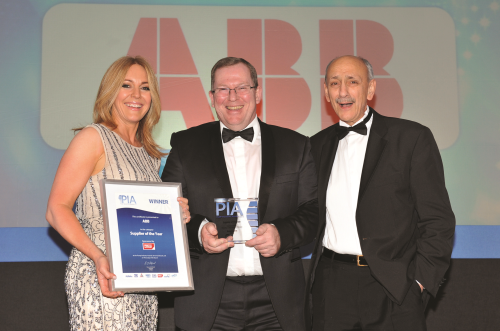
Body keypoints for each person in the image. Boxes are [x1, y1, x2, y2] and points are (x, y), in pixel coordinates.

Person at [161, 57, 318, 331]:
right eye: (223, 89)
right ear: (212, 97)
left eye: (241, 88)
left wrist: (282, 233)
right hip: (208, 300)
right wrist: (199, 232)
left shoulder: (296, 145)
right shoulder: (186, 145)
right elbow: (168, 212)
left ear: (257, 92)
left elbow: (313, 211)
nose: (232, 97)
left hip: (276, 301)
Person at [308, 55, 455, 331]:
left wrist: (419, 283)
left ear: (371, 89)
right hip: (332, 285)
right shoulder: (315, 146)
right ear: (326, 93)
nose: (343, 92)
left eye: (353, 82)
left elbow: (438, 220)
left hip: (393, 286)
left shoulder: (411, 138)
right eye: (335, 83)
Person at [46, 56, 190, 331]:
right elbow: (56, 209)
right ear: (110, 91)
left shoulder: (148, 154)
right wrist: (99, 256)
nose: (137, 95)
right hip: (100, 276)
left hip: (142, 283)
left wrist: (173, 216)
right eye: (127, 85)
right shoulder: (92, 137)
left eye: (145, 88)